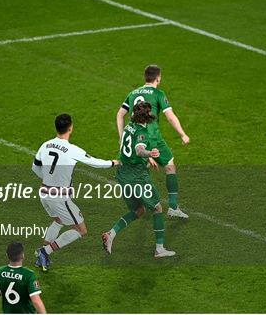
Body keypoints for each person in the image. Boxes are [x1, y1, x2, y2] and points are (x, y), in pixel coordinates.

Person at [32, 113, 118, 271]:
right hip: (59, 197)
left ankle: (42, 257)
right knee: (81, 229)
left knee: (58, 220)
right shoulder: (72, 149)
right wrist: (113, 163)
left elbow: (35, 167)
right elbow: (95, 162)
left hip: (44, 193)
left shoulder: (45, 145)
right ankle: (44, 251)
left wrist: (48, 179)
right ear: (70, 128)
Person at [103, 102, 176, 258]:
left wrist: (147, 160)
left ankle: (111, 234)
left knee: (138, 210)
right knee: (157, 208)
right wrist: (150, 154)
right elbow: (139, 149)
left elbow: (128, 149)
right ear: (146, 116)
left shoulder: (129, 126)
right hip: (137, 177)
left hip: (122, 174)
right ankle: (159, 249)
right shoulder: (142, 132)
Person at [117, 65, 190, 218]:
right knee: (170, 165)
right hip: (153, 138)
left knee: (142, 167)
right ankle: (173, 207)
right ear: (158, 78)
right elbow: (170, 116)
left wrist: (121, 137)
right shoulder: (158, 93)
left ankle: (143, 202)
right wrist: (182, 134)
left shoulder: (133, 93)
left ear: (145, 77)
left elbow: (120, 114)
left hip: (135, 137)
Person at [0, 242, 46, 314]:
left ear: (7, 255)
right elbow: (36, 301)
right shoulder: (29, 275)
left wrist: (1, 291)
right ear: (22, 256)